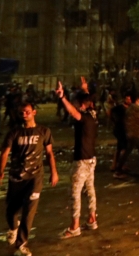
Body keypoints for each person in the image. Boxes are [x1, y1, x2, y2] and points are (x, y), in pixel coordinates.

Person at [0, 102, 58, 256]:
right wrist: (0, 171)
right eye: (21, 112)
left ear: (34, 112)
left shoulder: (44, 131)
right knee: (11, 211)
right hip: (16, 177)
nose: (24, 114)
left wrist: (54, 172)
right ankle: (13, 228)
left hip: (35, 177)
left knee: (28, 212)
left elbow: (49, 153)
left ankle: (21, 244)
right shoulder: (14, 133)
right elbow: (4, 153)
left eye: (27, 112)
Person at [55, 78, 99, 238]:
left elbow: (73, 112)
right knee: (89, 190)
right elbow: (87, 101)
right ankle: (92, 219)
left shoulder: (84, 117)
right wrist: (85, 89)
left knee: (75, 192)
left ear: (81, 105)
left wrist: (62, 97)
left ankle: (74, 226)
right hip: (91, 159)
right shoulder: (93, 114)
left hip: (82, 160)